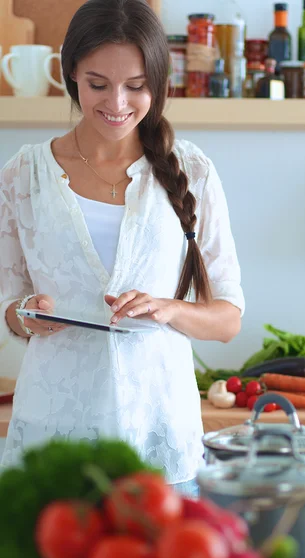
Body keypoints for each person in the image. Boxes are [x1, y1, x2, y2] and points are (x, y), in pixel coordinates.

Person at [0, 0, 244, 494]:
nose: (116, 102)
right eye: (97, 84)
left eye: (136, 86)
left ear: (159, 80)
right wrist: (25, 315)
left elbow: (228, 317)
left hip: (160, 437)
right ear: (70, 73)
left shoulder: (192, 171)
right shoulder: (23, 175)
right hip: (53, 436)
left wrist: (168, 309)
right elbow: (9, 305)